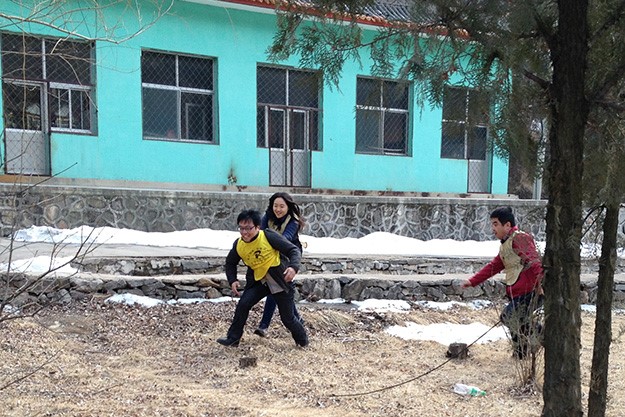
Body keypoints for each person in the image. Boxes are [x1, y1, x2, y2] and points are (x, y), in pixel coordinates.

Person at [216, 209, 308, 348]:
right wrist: (232, 279)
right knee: (243, 305)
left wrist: (293, 267)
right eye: (241, 228)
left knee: (287, 318)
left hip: (280, 280)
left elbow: (293, 250)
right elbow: (230, 262)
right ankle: (233, 338)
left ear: (258, 227)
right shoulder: (239, 244)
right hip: (259, 282)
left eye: (248, 228)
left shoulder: (268, 236)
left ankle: (303, 341)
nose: (244, 232)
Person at [461, 206, 544, 359]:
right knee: (516, 320)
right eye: (492, 224)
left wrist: (542, 285)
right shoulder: (506, 244)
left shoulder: (520, 238)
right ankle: (521, 354)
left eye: (495, 224)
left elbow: (534, 262)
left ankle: (542, 335)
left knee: (509, 316)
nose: (493, 228)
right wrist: (472, 281)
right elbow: (493, 266)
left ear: (507, 225)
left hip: (530, 291)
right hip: (518, 293)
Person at [253, 192, 305, 337]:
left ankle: (264, 326)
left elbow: (285, 239)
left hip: (288, 256)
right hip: (270, 255)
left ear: (288, 207)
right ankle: (298, 319)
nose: (278, 209)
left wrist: (267, 242)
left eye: (282, 206)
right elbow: (259, 234)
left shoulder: (293, 222)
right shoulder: (267, 217)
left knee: (276, 287)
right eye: (276, 206)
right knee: (283, 289)